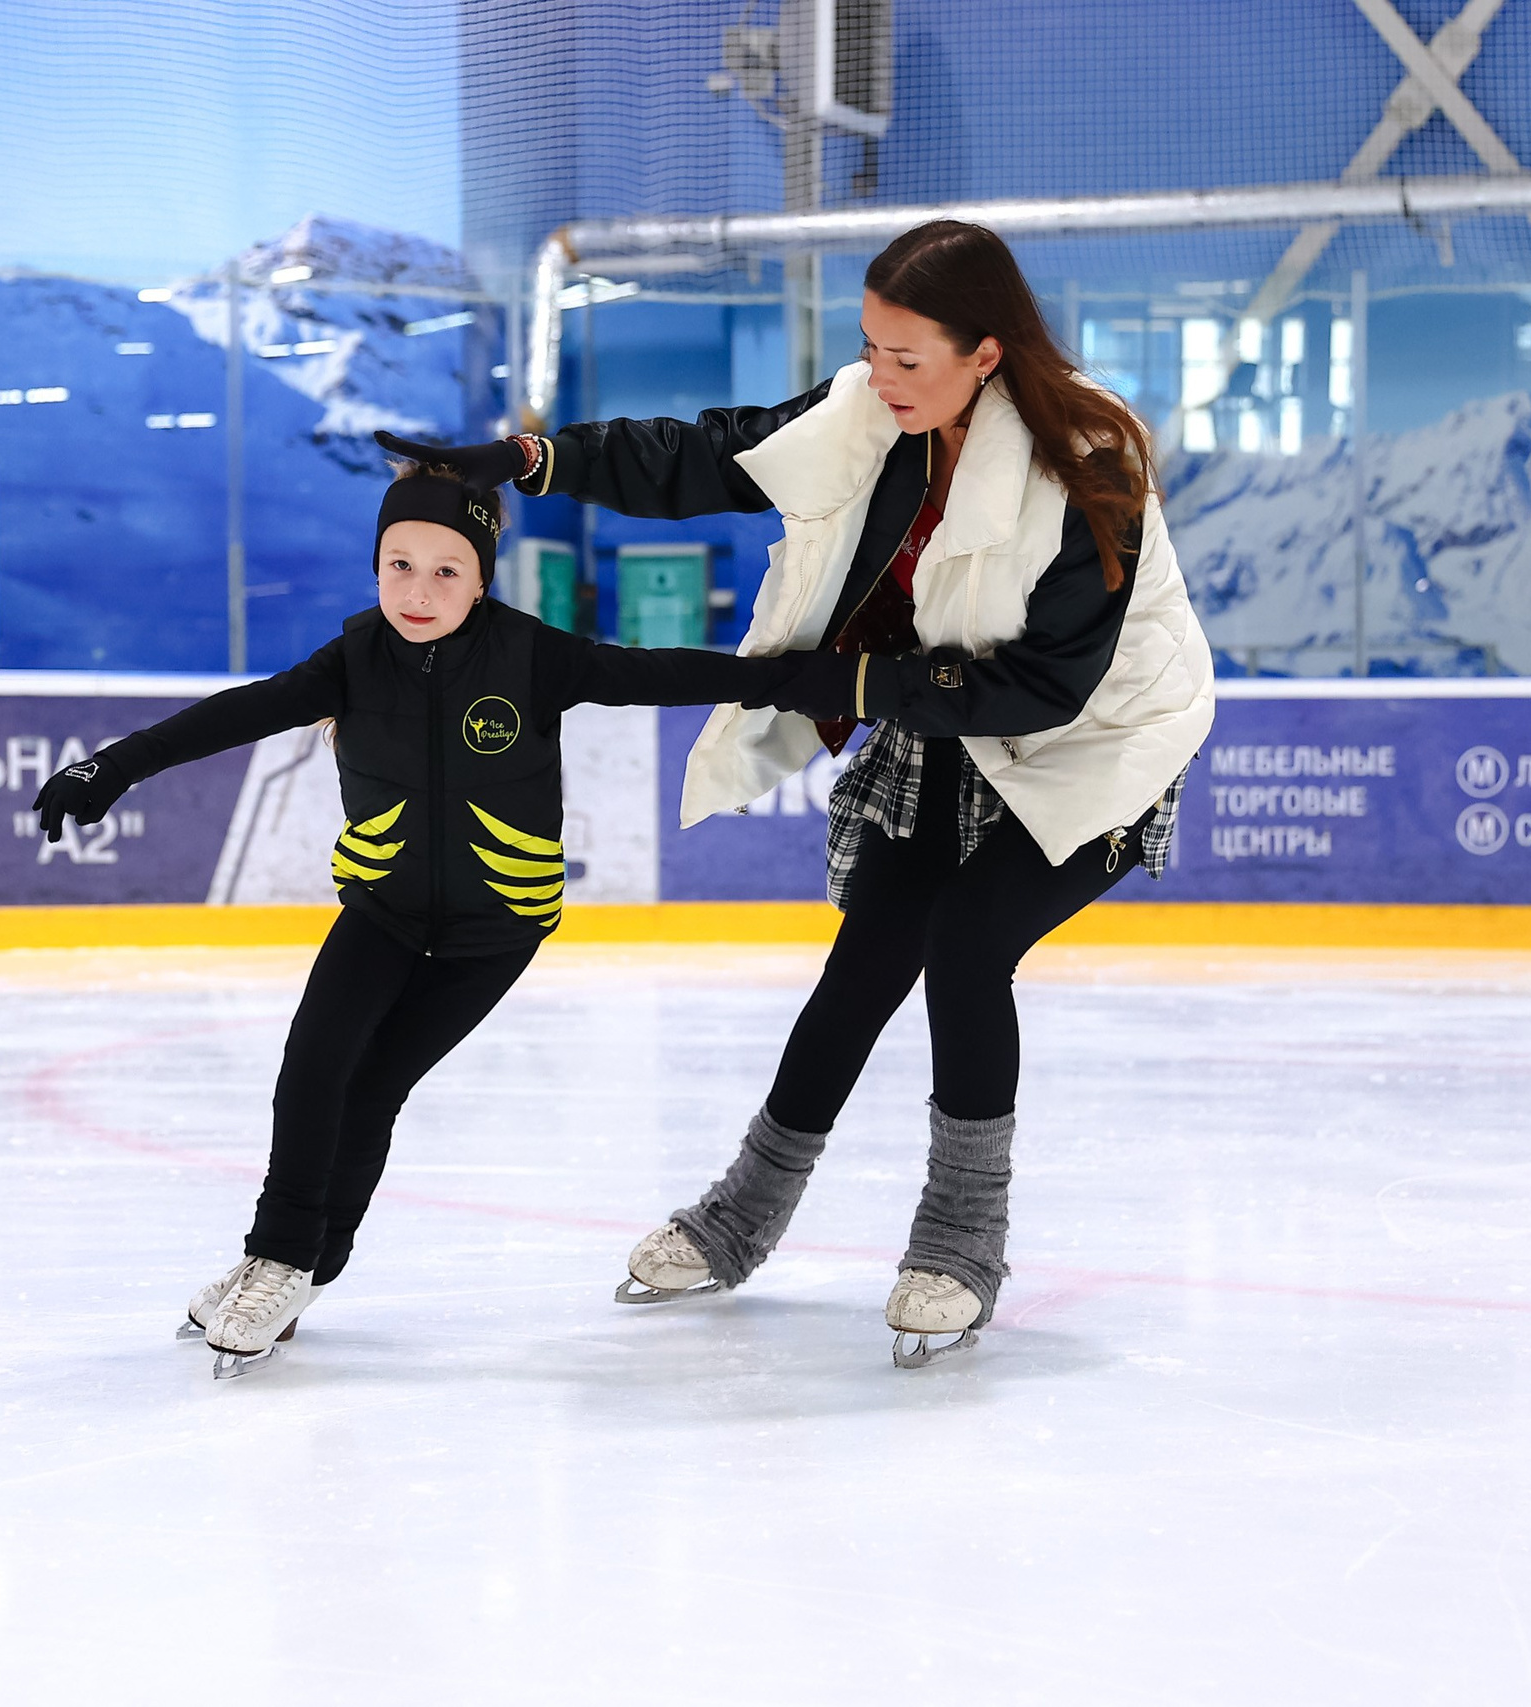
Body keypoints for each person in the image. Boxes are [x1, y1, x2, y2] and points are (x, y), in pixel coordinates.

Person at [393, 219, 1214, 1366]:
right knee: (870, 952)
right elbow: (712, 456)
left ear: (985, 352)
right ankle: (741, 1215)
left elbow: (1040, 685)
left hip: (1094, 739)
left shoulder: (1088, 464)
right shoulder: (874, 410)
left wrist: (859, 678)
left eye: (904, 357)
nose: (876, 378)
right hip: (936, 713)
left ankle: (962, 1241)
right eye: (869, 349)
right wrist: (535, 462)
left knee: (970, 946)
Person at [32, 459, 841, 1376]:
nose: (418, 591)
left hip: (493, 930)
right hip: (381, 910)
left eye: (446, 569)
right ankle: (283, 1259)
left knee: (373, 1086)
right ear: (375, 567)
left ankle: (295, 1265)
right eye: (398, 565)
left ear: (484, 575)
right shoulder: (352, 659)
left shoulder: (531, 656)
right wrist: (110, 768)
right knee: (313, 1071)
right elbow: (234, 716)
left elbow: (654, 673)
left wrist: (807, 679)